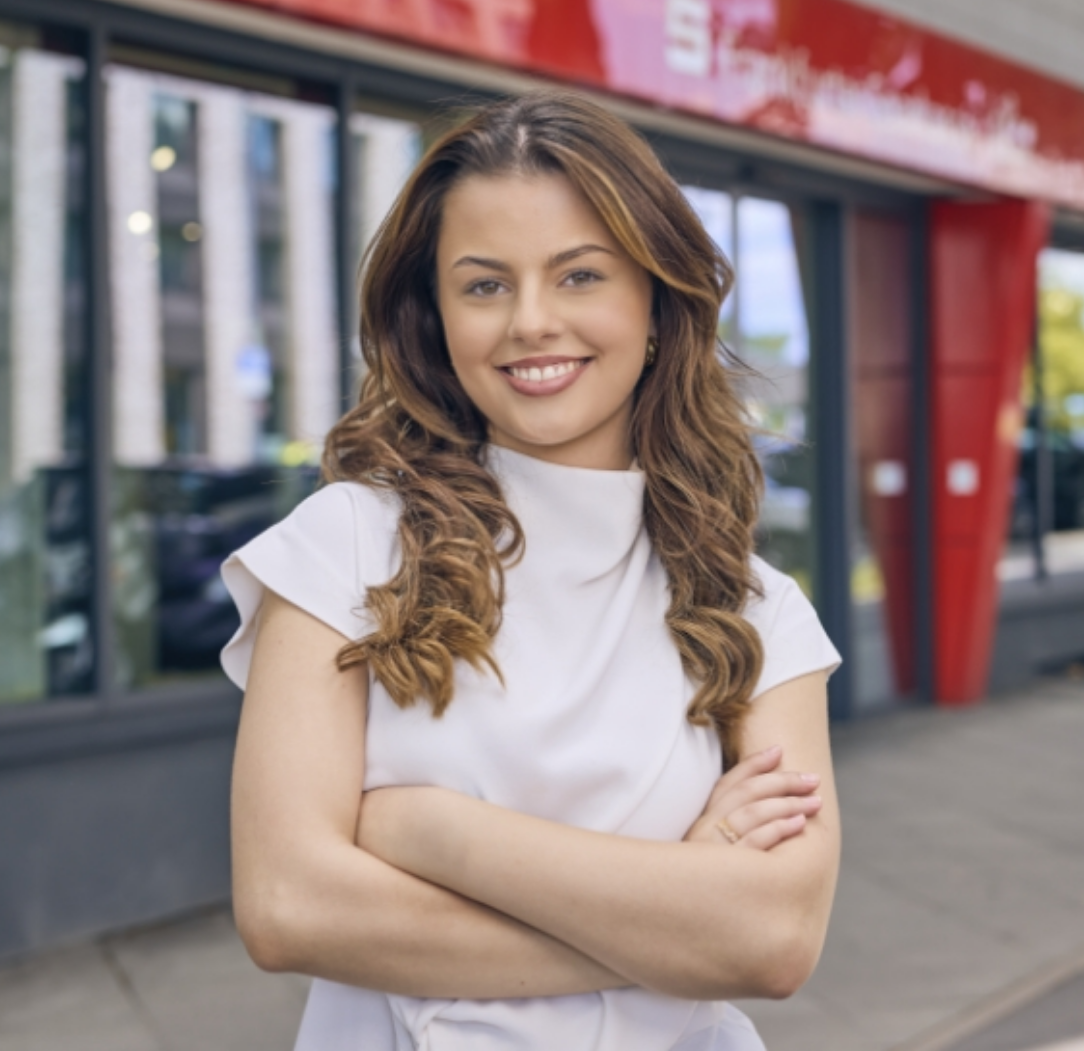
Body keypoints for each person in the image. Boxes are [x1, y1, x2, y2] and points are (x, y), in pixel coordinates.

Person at [219, 91, 842, 1050]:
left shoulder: (758, 611)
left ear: (656, 298)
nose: (531, 323)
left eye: (580, 274)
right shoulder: (342, 546)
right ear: (433, 317)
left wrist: (429, 833)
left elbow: (772, 942)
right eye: (484, 285)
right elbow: (288, 907)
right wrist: (676, 920)